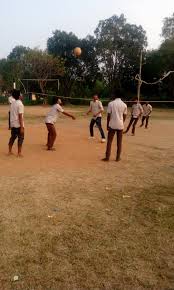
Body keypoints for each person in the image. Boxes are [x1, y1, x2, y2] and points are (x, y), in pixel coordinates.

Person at [102, 90, 127, 162]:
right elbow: (124, 115)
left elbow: (108, 115)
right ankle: (118, 158)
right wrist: (122, 122)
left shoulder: (111, 104)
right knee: (119, 142)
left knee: (109, 141)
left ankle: (107, 157)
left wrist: (107, 125)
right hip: (120, 125)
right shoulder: (124, 104)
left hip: (112, 124)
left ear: (115, 95)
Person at [8, 89, 24, 157]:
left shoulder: (13, 103)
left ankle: (9, 151)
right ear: (19, 95)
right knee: (21, 138)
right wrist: (22, 127)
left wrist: (11, 125)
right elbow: (20, 116)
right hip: (18, 124)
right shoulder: (20, 104)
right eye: (21, 94)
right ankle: (19, 153)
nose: (22, 95)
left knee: (12, 138)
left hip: (13, 124)